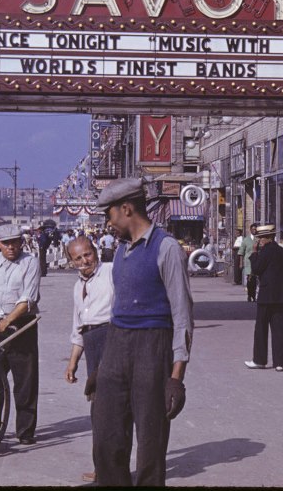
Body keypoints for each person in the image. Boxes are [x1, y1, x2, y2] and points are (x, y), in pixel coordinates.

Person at [91, 177, 194, 486]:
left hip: (154, 346)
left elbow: (183, 316)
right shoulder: (121, 251)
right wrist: (103, 365)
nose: (108, 224)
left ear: (126, 208)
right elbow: (116, 308)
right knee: (107, 433)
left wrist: (176, 377)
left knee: (150, 437)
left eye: (110, 215)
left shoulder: (167, 248)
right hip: (117, 343)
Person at [0, 223, 41, 446]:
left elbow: (28, 298)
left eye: (15, 242)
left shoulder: (30, 262)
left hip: (21, 326)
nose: (11, 247)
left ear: (21, 242)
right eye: (6, 243)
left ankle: (25, 431)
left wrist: (8, 320)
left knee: (25, 380)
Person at [64, 235, 116, 483]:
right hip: (91, 343)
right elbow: (78, 326)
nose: (85, 261)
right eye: (78, 258)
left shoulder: (111, 272)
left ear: (95, 251)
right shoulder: (77, 287)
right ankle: (102, 466)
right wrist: (73, 361)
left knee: (112, 408)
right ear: (71, 262)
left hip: (112, 338)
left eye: (88, 254)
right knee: (98, 408)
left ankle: (112, 469)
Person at [243, 224, 283, 372]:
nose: (259, 241)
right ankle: (279, 363)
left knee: (261, 328)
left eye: (261, 238)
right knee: (278, 329)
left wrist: (254, 253)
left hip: (266, 295)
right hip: (281, 295)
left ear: (267, 238)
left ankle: (259, 360)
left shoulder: (265, 252)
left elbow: (256, 269)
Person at [240, 224, 257, 301]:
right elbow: (241, 252)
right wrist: (241, 263)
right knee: (250, 279)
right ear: (250, 230)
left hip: (257, 261)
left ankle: (253, 295)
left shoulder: (259, 239)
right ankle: (250, 295)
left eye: (255, 229)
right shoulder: (246, 240)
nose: (254, 230)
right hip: (249, 262)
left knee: (254, 279)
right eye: (253, 229)